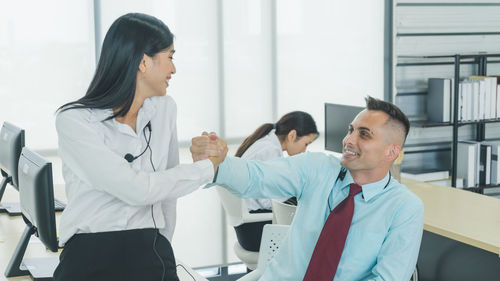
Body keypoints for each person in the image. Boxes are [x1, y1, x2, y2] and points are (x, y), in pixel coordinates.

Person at [53, 13, 221, 281]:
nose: (174, 70)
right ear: (143, 61)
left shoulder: (165, 109)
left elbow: (167, 194)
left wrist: (161, 246)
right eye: (170, 57)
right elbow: (134, 189)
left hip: (149, 248)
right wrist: (206, 169)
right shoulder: (75, 120)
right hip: (91, 251)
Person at [192, 96, 424, 281]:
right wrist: (217, 163)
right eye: (350, 130)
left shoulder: (404, 208)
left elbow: (387, 277)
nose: (348, 140)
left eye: (364, 134)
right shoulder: (317, 168)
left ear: (391, 152)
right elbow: (257, 176)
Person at [233, 111, 318, 252]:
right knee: (312, 229)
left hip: (246, 229)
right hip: (255, 231)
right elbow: (269, 201)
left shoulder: (265, 142)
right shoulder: (270, 151)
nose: (304, 150)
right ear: (292, 135)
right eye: (306, 144)